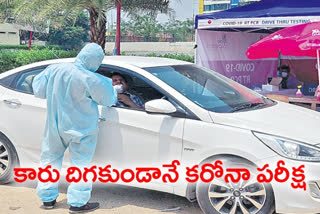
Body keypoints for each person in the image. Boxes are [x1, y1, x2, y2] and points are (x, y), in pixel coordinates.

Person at [32, 43, 117, 213]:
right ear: (96, 61)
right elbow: (108, 100)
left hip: (55, 125)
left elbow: (38, 90)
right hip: (81, 129)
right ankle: (78, 203)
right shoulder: (92, 78)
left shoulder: (54, 69)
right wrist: (117, 90)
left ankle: (47, 198)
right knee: (81, 164)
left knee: (49, 159)